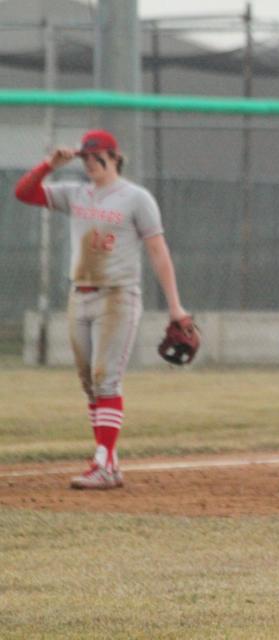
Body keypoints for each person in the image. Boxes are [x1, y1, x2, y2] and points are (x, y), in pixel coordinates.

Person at [13, 129, 191, 490]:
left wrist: (175, 307)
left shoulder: (136, 198)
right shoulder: (76, 193)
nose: (90, 163)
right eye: (86, 158)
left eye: (96, 157)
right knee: (90, 383)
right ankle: (108, 460)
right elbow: (24, 193)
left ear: (114, 156)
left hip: (118, 296)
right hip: (80, 295)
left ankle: (104, 463)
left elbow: (158, 252)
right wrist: (50, 164)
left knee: (106, 377)